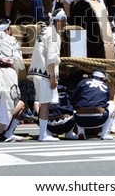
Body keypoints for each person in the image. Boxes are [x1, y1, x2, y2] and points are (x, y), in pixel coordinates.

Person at [28, 8, 68, 142]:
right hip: (45, 73)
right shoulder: (54, 35)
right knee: (45, 104)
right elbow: (51, 58)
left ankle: (44, 131)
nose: (65, 24)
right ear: (59, 21)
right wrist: (52, 77)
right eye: (64, 21)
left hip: (36, 71)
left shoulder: (45, 31)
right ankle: (42, 134)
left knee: (42, 102)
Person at [71, 71, 115, 140]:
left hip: (80, 119)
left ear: (91, 76)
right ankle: (104, 134)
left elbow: (73, 98)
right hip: (99, 119)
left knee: (76, 104)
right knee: (112, 104)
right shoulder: (105, 86)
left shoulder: (82, 82)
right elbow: (105, 103)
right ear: (103, 79)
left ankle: (81, 132)